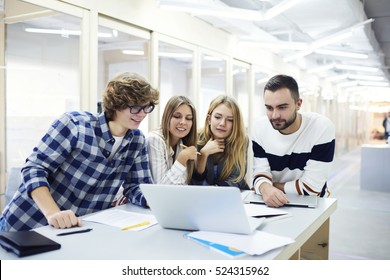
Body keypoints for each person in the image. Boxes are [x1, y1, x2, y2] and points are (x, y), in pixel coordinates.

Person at [0, 72, 159, 231]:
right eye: (136, 107)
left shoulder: (137, 141)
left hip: (75, 229)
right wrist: (53, 213)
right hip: (27, 223)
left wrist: (154, 200)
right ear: (116, 104)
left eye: (147, 107)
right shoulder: (75, 124)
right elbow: (34, 169)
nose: (142, 114)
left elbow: (137, 187)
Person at [252, 74, 335, 208]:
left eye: (282, 107)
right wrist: (265, 187)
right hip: (270, 204)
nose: (275, 116)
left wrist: (267, 187)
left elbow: (311, 189)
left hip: (312, 205)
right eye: (269, 108)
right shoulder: (259, 127)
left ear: (298, 104)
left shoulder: (321, 128)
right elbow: (260, 173)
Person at [192, 95, 249, 190]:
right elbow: (194, 180)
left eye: (230, 120)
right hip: (201, 196)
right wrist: (203, 154)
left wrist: (217, 190)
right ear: (209, 119)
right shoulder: (196, 138)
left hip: (230, 195)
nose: (222, 123)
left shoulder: (241, 140)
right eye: (218, 117)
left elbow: (237, 178)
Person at [148, 95, 198, 184]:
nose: (183, 122)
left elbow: (181, 186)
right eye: (177, 116)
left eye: (188, 118)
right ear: (167, 117)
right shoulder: (154, 140)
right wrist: (182, 158)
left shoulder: (182, 143)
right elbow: (162, 188)